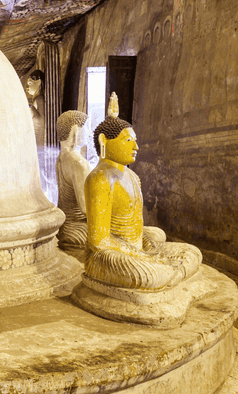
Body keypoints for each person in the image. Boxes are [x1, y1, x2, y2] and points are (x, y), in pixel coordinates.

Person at [82, 94, 200, 291]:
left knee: (192, 252)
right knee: (152, 276)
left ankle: (169, 274)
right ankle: (167, 275)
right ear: (104, 140)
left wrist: (150, 250)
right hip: (106, 255)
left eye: (135, 140)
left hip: (135, 249)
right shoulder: (100, 178)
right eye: (128, 140)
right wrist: (143, 257)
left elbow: (136, 227)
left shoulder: (133, 176)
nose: (135, 146)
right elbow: (99, 240)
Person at [54, 111, 93, 254]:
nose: (89, 134)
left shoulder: (61, 158)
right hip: (78, 230)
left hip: (65, 228)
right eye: (87, 128)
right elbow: (85, 209)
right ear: (75, 129)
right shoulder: (79, 163)